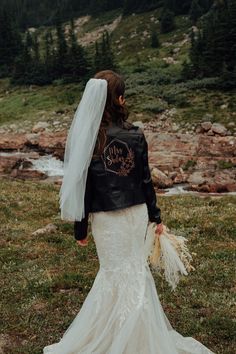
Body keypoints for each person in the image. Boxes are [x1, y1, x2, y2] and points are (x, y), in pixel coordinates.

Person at [43, 70, 214, 354]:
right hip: (135, 215)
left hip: (106, 219)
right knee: (134, 272)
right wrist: (155, 217)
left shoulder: (91, 139)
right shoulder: (135, 135)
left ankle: (113, 335)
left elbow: (84, 188)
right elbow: (145, 180)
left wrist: (80, 228)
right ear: (120, 99)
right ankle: (136, 336)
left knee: (112, 273)